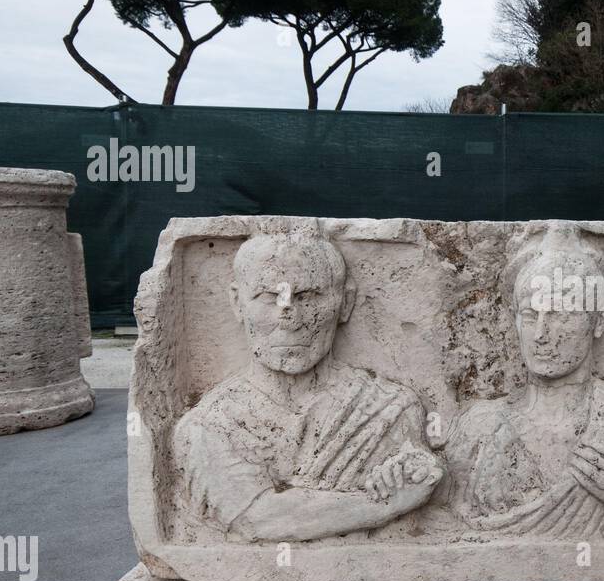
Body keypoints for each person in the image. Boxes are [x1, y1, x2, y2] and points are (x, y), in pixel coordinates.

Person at [173, 229, 443, 542]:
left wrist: (417, 472)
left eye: (308, 296)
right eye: (268, 296)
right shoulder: (209, 425)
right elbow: (259, 520)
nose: (289, 316)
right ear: (237, 302)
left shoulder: (391, 407)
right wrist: (382, 505)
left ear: (345, 302)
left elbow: (420, 485)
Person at [444, 227, 604, 539]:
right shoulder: (477, 428)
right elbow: (442, 527)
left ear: (598, 321)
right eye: (530, 316)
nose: (541, 334)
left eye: (560, 315)